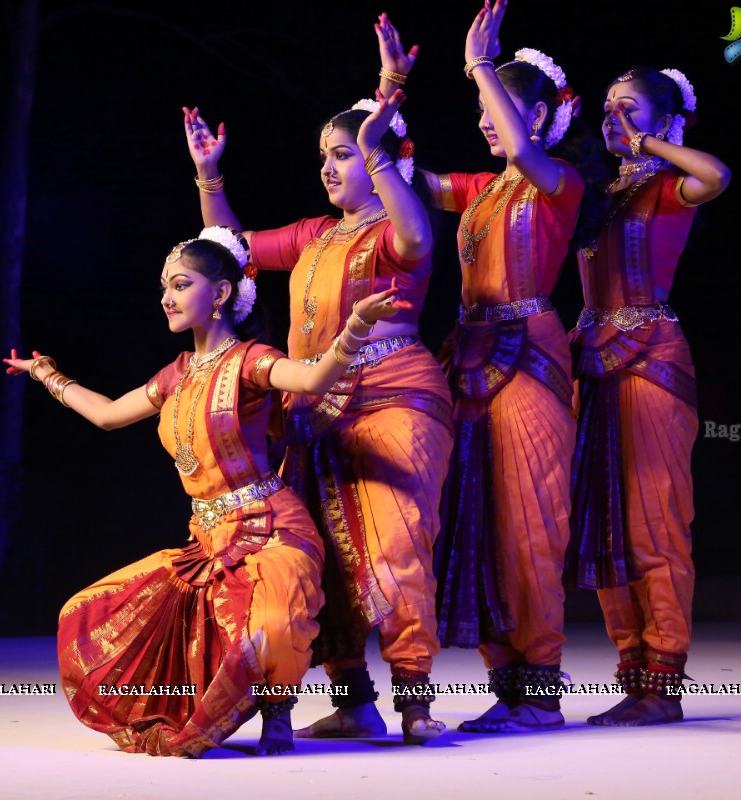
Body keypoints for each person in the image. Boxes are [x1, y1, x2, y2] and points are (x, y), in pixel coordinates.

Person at [3, 226, 408, 756]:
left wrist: (356, 325)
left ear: (219, 295)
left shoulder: (250, 361)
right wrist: (48, 376)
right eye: (163, 288)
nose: (166, 298)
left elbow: (310, 382)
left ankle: (278, 714)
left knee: (271, 620)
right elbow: (106, 416)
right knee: (91, 611)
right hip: (208, 542)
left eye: (180, 284)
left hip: (272, 533)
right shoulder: (175, 374)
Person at [182, 91, 454, 744]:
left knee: (395, 546)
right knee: (324, 558)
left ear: (382, 162)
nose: (329, 168)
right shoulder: (315, 233)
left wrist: (378, 157)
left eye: (344, 156)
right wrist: (210, 175)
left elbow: (416, 237)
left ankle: (415, 702)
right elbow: (228, 248)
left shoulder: (394, 226)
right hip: (312, 411)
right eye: (324, 157)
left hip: (394, 398)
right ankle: (355, 701)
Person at [374, 2, 583, 732]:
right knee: (479, 520)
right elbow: (398, 171)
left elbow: (525, 152)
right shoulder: (480, 189)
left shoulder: (556, 181)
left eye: (505, 108)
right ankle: (508, 687)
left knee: (532, 523)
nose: (488, 119)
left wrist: (480, 64)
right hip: (465, 360)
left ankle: (541, 691)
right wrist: (390, 84)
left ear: (544, 118)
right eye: (483, 107)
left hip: (528, 355)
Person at [567, 67, 730, 726]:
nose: (615, 120)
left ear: (665, 120)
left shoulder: (668, 185)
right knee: (605, 525)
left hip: (650, 362)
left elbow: (717, 175)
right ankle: (633, 673)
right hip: (592, 364)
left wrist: (651, 143)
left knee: (653, 521)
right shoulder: (597, 195)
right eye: (608, 111)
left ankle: (663, 680)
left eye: (629, 109)